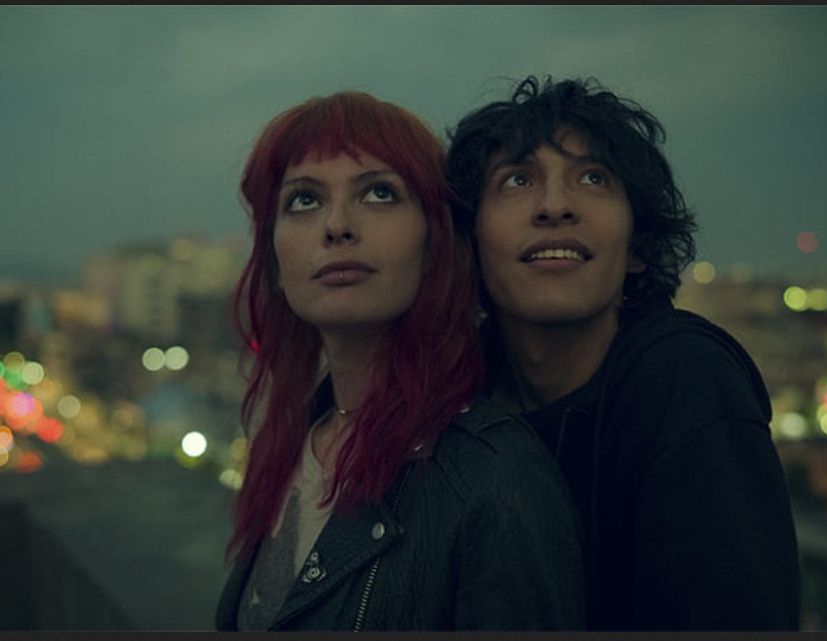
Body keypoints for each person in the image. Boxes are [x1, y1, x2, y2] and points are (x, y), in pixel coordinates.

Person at [214, 91, 585, 631]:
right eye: (304, 200)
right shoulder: (292, 442)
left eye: (379, 193)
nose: (337, 225)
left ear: (435, 239)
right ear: (273, 254)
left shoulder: (493, 477)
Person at [446, 76, 801, 630]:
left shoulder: (684, 380)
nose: (555, 206)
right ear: (470, 241)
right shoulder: (456, 396)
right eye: (517, 179)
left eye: (593, 177)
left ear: (638, 246)